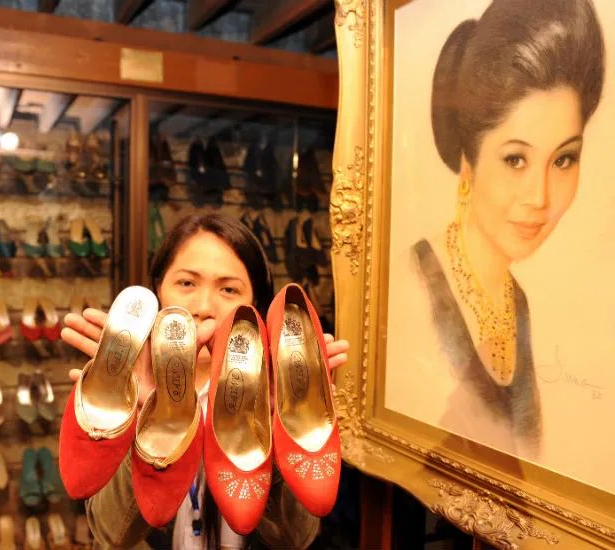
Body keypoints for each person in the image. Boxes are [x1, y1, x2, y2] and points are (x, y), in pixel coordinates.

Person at [387, 0, 605, 458]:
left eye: (563, 159)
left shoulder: (517, 305)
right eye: (515, 159)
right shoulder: (417, 283)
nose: (540, 197)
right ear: (468, 160)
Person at [61, 212, 350, 549]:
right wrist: (142, 417)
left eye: (229, 289)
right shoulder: (119, 393)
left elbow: (294, 541)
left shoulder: (275, 396)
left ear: (253, 304)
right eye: (186, 283)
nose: (203, 307)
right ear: (158, 290)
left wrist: (274, 426)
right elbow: (111, 536)